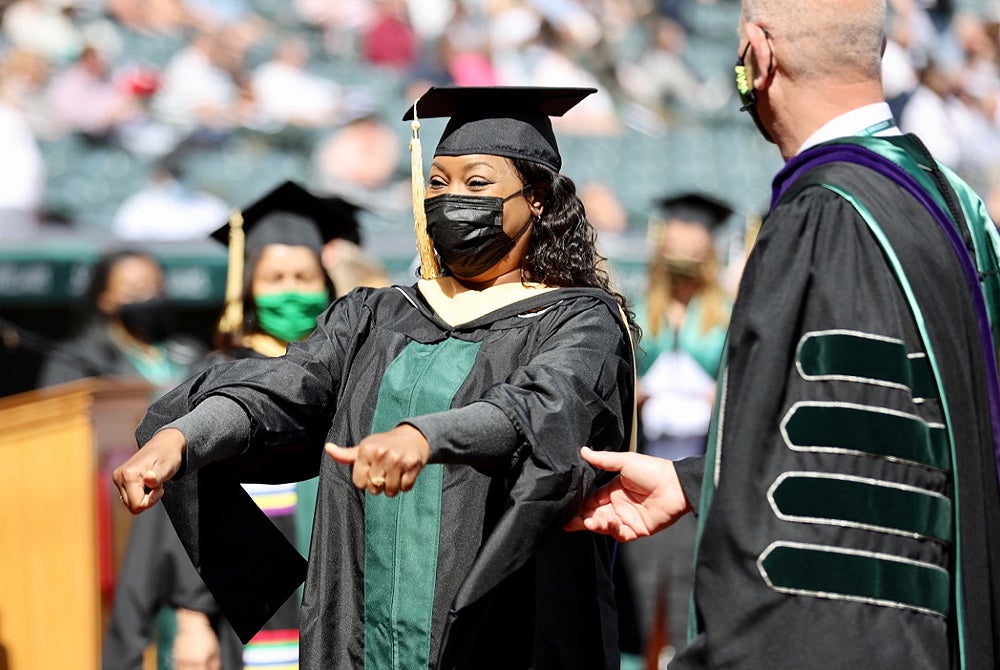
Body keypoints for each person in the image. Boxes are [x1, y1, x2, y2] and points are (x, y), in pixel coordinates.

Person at [113, 86, 637, 670]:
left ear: (536, 197)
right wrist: (185, 436)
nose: (451, 199)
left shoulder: (579, 323)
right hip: (362, 631)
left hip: (502, 633)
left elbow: (542, 407)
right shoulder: (375, 316)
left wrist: (425, 437)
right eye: (437, 183)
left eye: (477, 184)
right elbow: (286, 384)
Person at [568, 1, 1000, 668]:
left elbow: (823, 513)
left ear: (758, 54)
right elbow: (879, 442)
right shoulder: (959, 209)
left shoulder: (825, 220)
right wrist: (694, 480)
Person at [103, 180, 358, 670]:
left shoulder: (350, 375)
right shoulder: (210, 381)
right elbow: (180, 507)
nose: (291, 291)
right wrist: (193, 614)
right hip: (239, 597)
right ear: (249, 287)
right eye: (275, 277)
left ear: (325, 284)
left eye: (304, 277)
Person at [623, 193, 734, 663]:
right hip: (644, 465)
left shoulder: (726, 313)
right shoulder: (638, 311)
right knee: (637, 585)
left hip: (701, 473)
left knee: (690, 583)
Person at [37, 249, 204, 390]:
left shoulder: (189, 351)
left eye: (157, 289)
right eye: (135, 292)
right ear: (105, 299)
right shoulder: (75, 359)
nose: (148, 297)